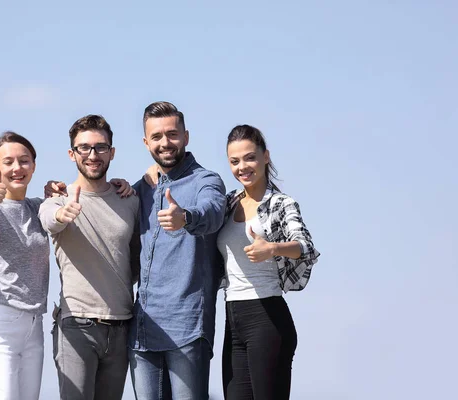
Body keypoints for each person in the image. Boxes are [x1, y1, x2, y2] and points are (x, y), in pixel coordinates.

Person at [129, 101, 227, 399]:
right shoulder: (139, 189)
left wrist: (185, 217)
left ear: (186, 136)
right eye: (156, 137)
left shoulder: (206, 181)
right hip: (142, 331)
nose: (165, 143)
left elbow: (212, 211)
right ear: (146, 142)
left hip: (187, 327)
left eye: (172, 134)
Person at [39, 115, 140, 400]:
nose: (92, 155)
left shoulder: (129, 200)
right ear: (72, 154)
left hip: (121, 326)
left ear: (112, 152)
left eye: (100, 147)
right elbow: (48, 220)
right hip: (77, 326)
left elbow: (133, 260)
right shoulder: (57, 198)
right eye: (84, 148)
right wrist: (62, 214)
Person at [218, 124, 320, 399]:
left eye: (250, 157)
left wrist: (272, 248)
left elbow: (306, 247)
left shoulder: (281, 203)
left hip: (267, 318)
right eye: (234, 161)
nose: (243, 167)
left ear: (265, 156)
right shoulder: (228, 203)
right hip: (233, 316)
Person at [0, 132, 49, 399]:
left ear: (34, 165)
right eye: (8, 162)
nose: (17, 168)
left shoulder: (39, 208)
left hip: (34, 324)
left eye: (24, 161)